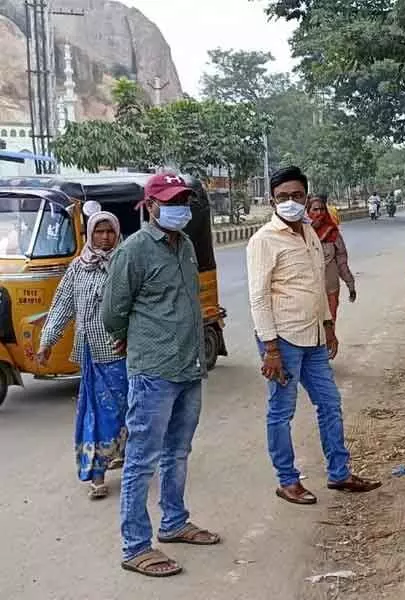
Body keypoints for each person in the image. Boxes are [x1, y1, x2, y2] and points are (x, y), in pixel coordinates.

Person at [103, 173, 220, 578]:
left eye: (183, 200)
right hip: (154, 371)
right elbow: (112, 313)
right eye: (170, 201)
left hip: (189, 366)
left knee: (178, 451)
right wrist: (130, 340)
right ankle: (135, 545)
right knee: (141, 460)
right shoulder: (133, 251)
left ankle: (174, 521)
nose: (179, 208)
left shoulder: (185, 245)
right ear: (150, 206)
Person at [248, 166, 381, 507]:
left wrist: (329, 326)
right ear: (271, 200)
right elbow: (259, 297)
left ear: (306, 198)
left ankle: (339, 472)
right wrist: (271, 349)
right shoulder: (263, 240)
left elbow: (317, 285)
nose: (289, 202)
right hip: (282, 340)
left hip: (314, 337)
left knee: (330, 403)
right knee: (282, 411)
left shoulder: (309, 233)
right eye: (282, 197)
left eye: (296, 196)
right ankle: (287, 480)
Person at [39, 211, 127, 500]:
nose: (105, 237)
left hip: (122, 352)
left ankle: (121, 453)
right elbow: (62, 305)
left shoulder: (126, 263)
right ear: (90, 234)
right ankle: (97, 473)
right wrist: (47, 341)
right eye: (99, 231)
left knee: (125, 410)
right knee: (99, 413)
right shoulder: (78, 267)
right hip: (92, 353)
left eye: (110, 231)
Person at [308, 196, 357, 359]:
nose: (319, 213)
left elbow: (342, 262)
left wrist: (350, 284)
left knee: (329, 321)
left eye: (322, 209)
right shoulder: (300, 234)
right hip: (308, 290)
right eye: (315, 209)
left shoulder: (333, 234)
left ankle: (325, 352)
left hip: (330, 288)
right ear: (308, 211)